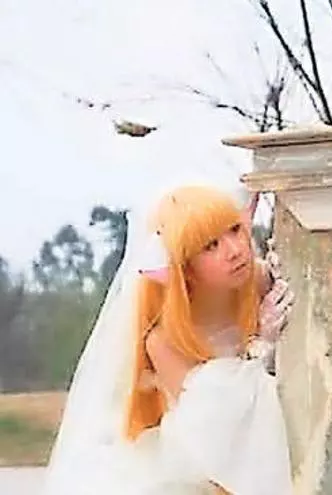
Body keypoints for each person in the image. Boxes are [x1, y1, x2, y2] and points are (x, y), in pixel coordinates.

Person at [43, 183, 295, 494]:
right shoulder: (162, 341)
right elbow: (209, 426)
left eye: (234, 230)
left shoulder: (259, 279)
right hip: (201, 468)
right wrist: (262, 345)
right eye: (210, 246)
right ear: (184, 268)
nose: (234, 250)